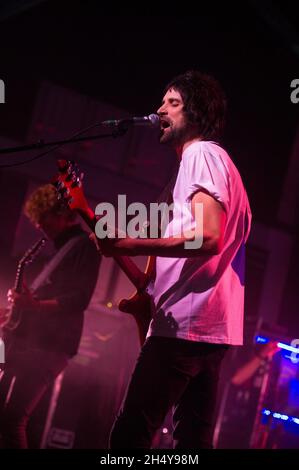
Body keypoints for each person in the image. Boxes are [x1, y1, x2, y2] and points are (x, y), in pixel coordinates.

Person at [99, 70, 252, 448]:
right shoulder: (217, 162)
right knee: (191, 443)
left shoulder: (201, 153)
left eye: (173, 102)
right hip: (210, 327)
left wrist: (132, 244)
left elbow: (208, 237)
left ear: (195, 114)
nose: (159, 109)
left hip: (185, 325)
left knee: (128, 439)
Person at [0, 184, 100, 448]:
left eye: (43, 217)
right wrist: (15, 311)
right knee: (6, 417)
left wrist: (33, 306)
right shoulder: (60, 249)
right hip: (32, 344)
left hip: (50, 347)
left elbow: (79, 300)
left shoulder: (84, 247)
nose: (38, 225)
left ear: (61, 213)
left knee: (12, 419)